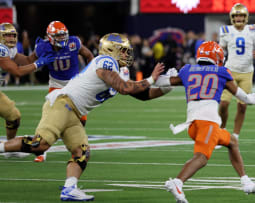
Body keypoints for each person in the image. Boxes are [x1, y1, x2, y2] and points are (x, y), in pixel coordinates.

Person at [0, 33, 167, 201]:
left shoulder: (116, 69)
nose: (126, 54)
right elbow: (124, 88)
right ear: (111, 50)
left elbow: (142, 95)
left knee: (82, 152)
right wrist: (151, 78)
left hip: (74, 112)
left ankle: (69, 189)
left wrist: (166, 87)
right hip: (63, 103)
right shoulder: (105, 61)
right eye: (123, 51)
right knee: (40, 144)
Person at [155, 41, 255, 203]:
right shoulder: (221, 71)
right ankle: (177, 182)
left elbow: (160, 82)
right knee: (202, 158)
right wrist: (252, 99)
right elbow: (241, 95)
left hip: (192, 125)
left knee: (232, 142)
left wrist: (168, 75)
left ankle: (246, 182)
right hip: (207, 123)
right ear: (217, 57)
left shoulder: (187, 70)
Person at [26, 21, 94, 162]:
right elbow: (29, 61)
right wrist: (38, 65)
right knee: (50, 118)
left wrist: (89, 73)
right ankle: (41, 150)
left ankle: (77, 147)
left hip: (75, 84)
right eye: (58, 36)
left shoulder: (73, 42)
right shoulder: (43, 47)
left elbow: (88, 55)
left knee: (81, 120)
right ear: (50, 36)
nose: (62, 38)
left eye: (64, 35)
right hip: (56, 84)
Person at [0, 22, 54, 158]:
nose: (11, 38)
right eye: (7, 36)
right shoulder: (1, 49)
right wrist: (39, 63)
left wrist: (39, 51)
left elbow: (27, 60)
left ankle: (10, 146)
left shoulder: (9, 49)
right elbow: (17, 71)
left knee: (13, 117)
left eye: (13, 35)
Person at [218, 3, 255, 140]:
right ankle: (222, 129)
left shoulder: (253, 30)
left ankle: (235, 135)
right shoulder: (226, 30)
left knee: (242, 106)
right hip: (230, 71)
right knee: (224, 104)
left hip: (247, 72)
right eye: (236, 15)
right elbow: (220, 51)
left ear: (246, 17)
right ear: (232, 17)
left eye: (241, 15)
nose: (239, 18)